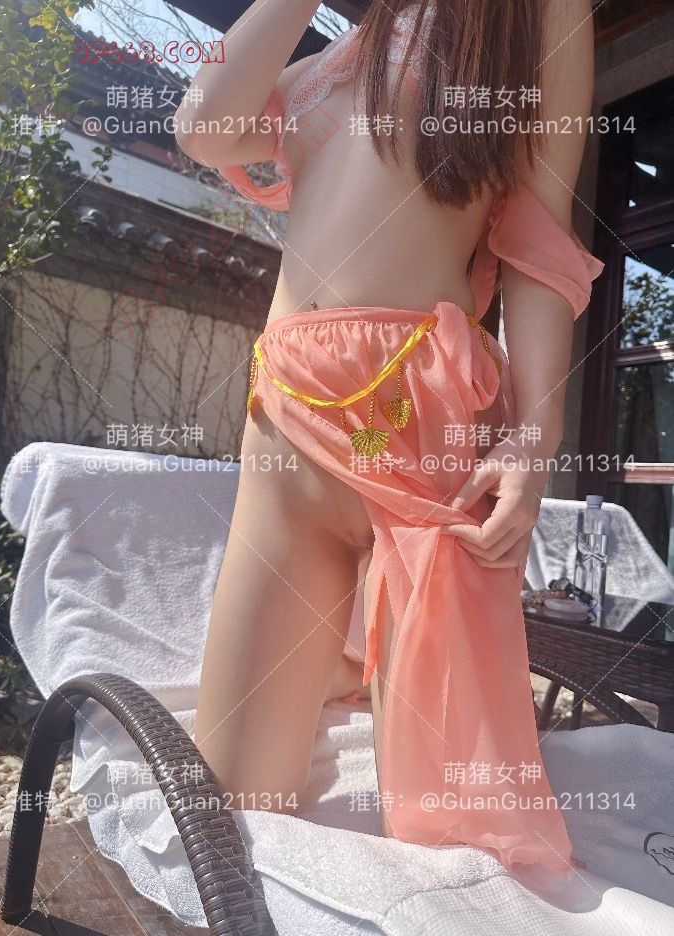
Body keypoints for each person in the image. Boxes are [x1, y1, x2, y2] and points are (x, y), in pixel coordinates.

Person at [173, 0, 603, 872]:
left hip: (419, 427)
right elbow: (203, 127)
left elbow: (539, 235)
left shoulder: (530, 15)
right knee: (229, 807)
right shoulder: (338, 60)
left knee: (454, 828)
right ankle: (343, 660)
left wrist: (536, 433)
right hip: (288, 419)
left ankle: (352, 658)